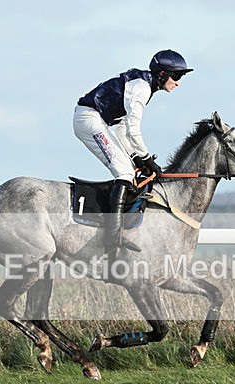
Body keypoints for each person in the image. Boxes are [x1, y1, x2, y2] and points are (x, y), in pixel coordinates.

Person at [73, 49, 193, 252]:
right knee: (125, 173)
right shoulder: (141, 88)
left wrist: (136, 156)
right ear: (162, 74)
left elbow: (122, 128)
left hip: (97, 120)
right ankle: (112, 237)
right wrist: (145, 156)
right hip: (89, 119)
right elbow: (133, 130)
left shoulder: (146, 86)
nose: (178, 82)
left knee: (129, 168)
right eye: (177, 76)